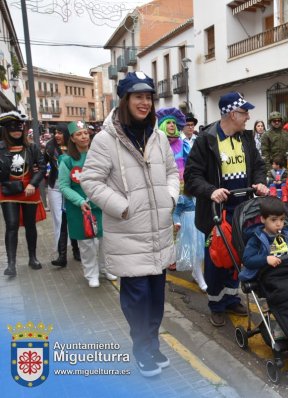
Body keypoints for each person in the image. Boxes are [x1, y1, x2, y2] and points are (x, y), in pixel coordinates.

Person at [80, 71, 179, 377]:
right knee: (137, 301)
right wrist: (122, 208)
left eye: (148, 97)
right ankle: (142, 349)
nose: (145, 102)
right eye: (138, 96)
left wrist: (170, 199)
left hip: (159, 235)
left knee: (156, 299)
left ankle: (152, 345)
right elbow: (90, 181)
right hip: (128, 236)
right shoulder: (105, 139)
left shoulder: (159, 137)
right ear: (125, 100)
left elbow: (173, 172)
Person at [184, 91, 268, 328]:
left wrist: (260, 181)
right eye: (245, 112)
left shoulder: (246, 139)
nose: (248, 117)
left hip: (243, 210)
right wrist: (211, 190)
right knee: (216, 259)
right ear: (232, 114)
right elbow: (191, 176)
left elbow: (259, 166)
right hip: (216, 211)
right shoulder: (206, 140)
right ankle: (216, 304)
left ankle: (231, 298)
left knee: (237, 258)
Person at [59, 121, 116, 287]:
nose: (84, 136)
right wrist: (80, 201)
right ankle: (91, 273)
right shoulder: (67, 160)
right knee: (87, 244)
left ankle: (106, 268)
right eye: (79, 134)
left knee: (106, 240)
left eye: (85, 132)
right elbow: (63, 186)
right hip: (80, 208)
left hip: (101, 204)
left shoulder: (99, 155)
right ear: (72, 138)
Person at [0, 111, 46, 276]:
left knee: (30, 225)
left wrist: (33, 184)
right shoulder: (0, 148)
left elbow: (42, 167)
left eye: (19, 128)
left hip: (29, 190)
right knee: (11, 225)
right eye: (13, 129)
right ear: (7, 130)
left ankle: (32, 257)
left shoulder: (32, 147)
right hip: (7, 190)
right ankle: (11, 263)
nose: (17, 131)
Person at [157, 107, 191, 271]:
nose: (171, 125)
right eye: (168, 122)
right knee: (170, 221)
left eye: (173, 122)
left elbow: (190, 164)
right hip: (165, 188)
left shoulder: (183, 143)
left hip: (184, 187)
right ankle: (169, 256)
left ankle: (180, 253)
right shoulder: (157, 144)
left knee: (182, 221)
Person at [240, 196, 288, 282]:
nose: (279, 224)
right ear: (263, 219)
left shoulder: (287, 233)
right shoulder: (256, 238)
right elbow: (247, 260)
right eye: (274, 220)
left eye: (282, 219)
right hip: (268, 274)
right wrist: (266, 259)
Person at [45, 123, 81, 267]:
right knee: (59, 220)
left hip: (72, 187)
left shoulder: (75, 146)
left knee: (72, 218)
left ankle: (76, 250)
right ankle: (62, 255)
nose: (57, 135)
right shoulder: (50, 147)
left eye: (60, 132)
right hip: (56, 186)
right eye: (55, 132)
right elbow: (43, 164)